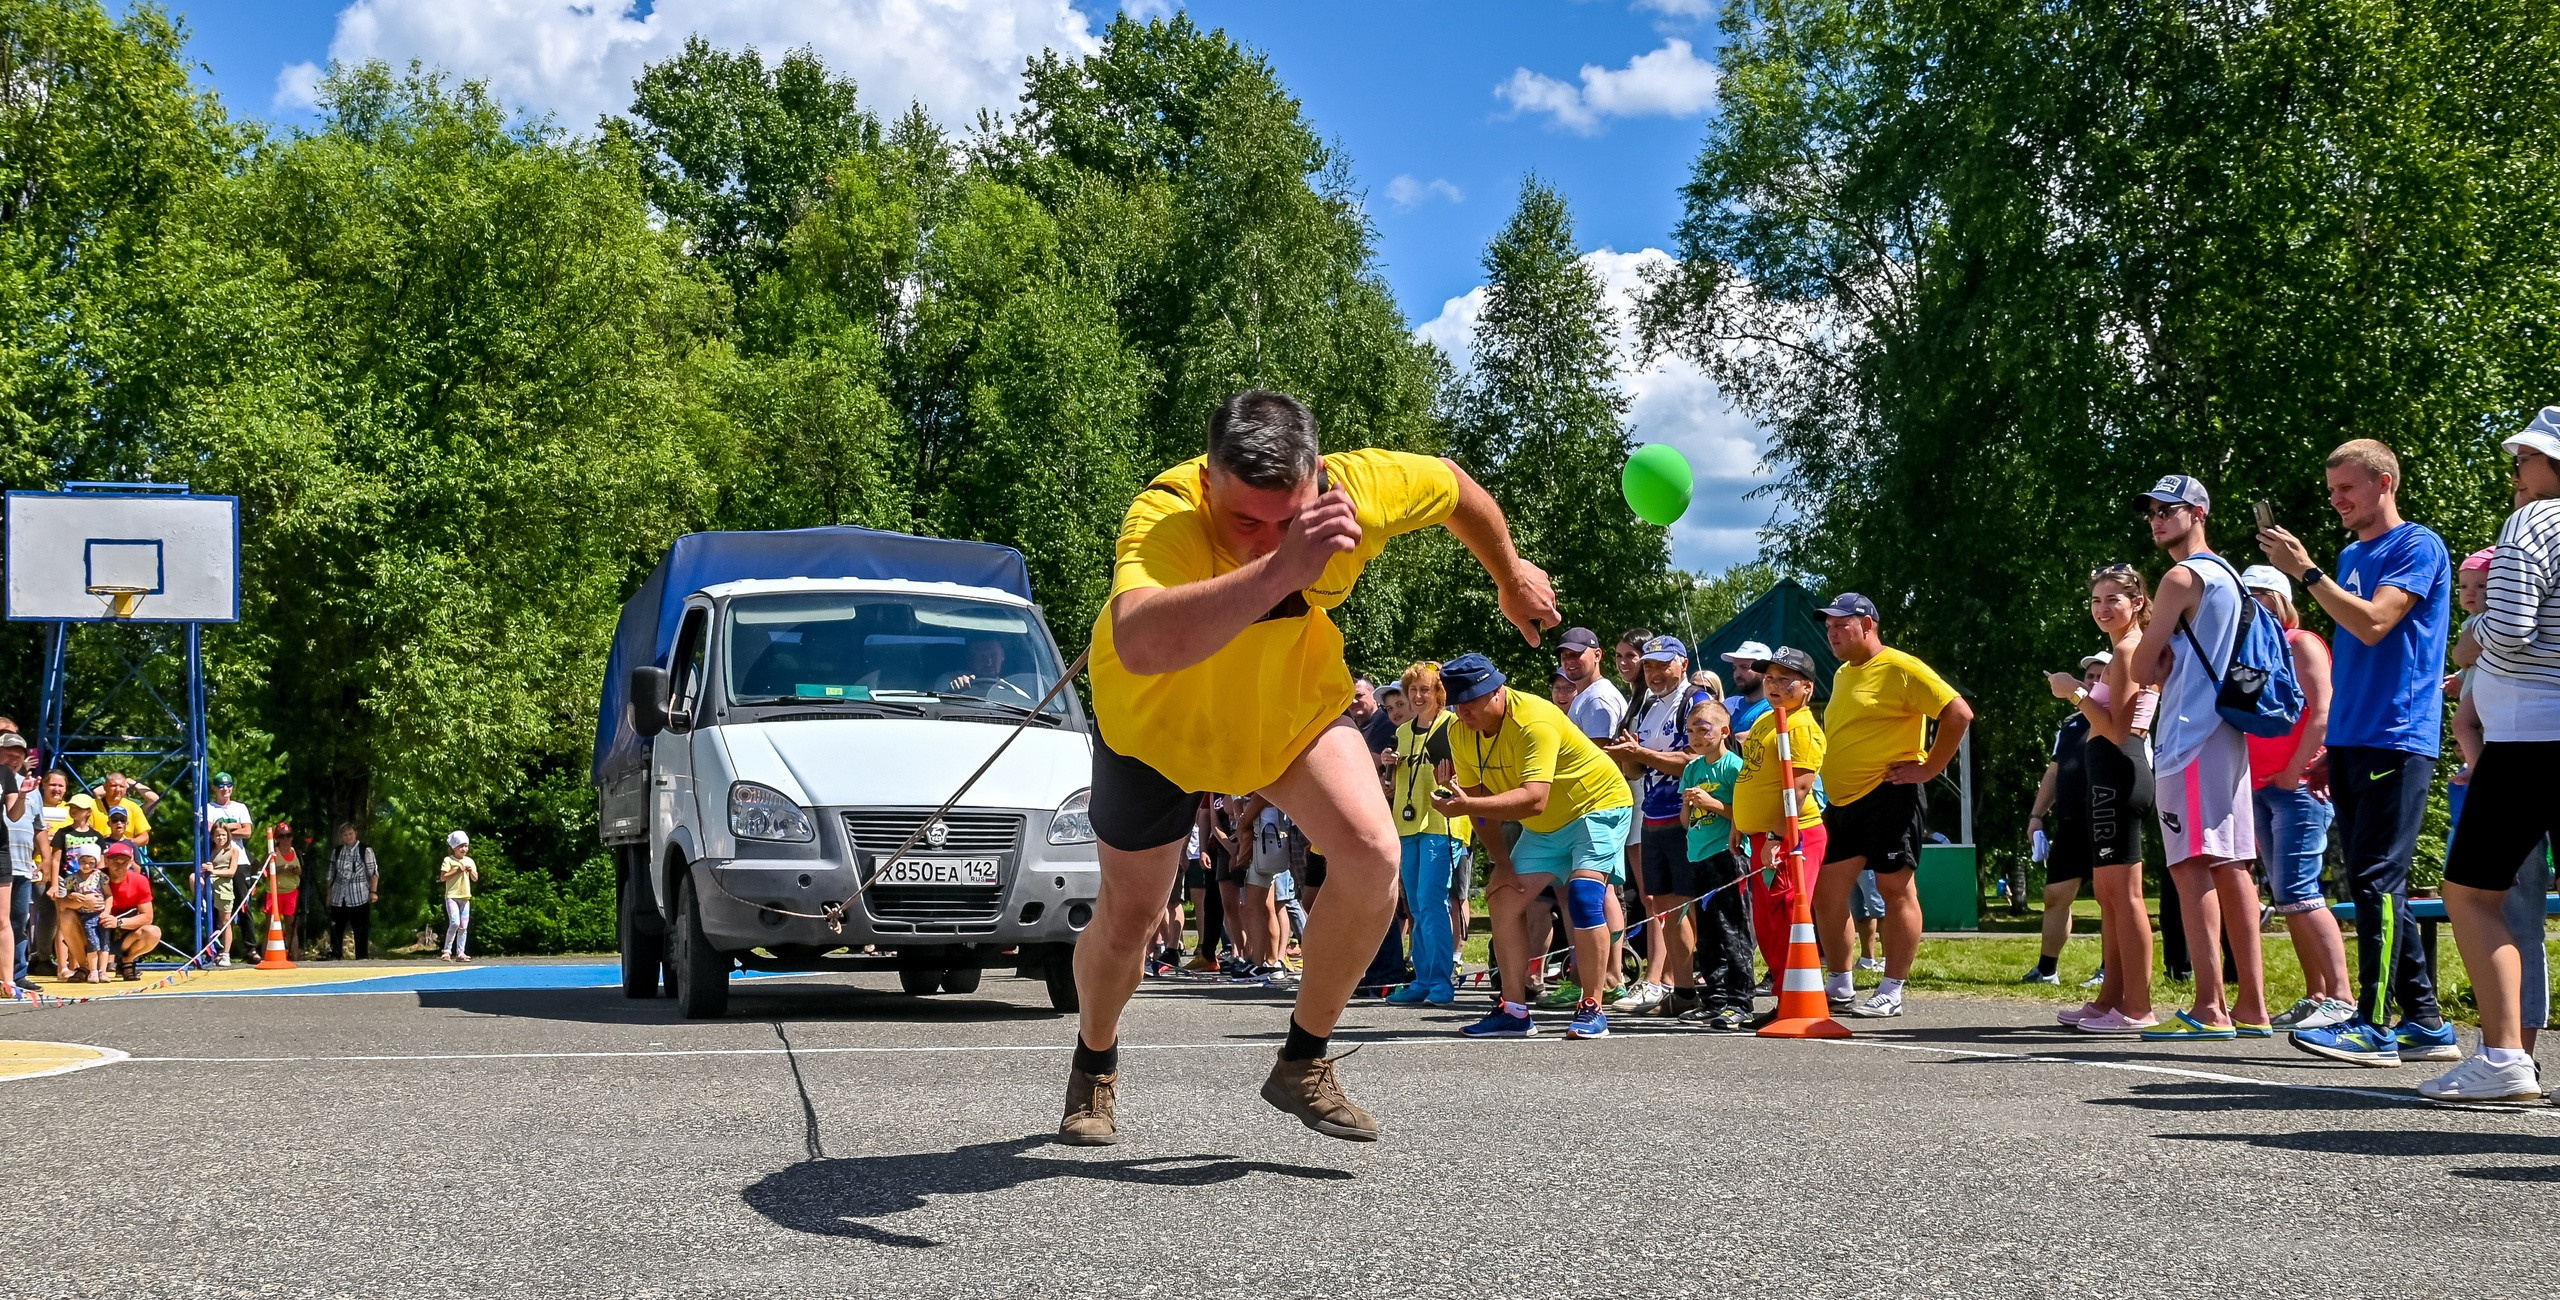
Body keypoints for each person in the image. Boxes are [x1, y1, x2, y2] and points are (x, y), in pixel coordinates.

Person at [1061, 389, 1558, 1145]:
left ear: (1319, 478)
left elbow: (1455, 486)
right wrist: (1285, 565)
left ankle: (1303, 1060)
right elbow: (1138, 642)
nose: (1266, 539)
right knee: (1128, 924)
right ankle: (1095, 1061)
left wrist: (1509, 571)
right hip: (1158, 733)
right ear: (1206, 487)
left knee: (1371, 854)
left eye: (1287, 520)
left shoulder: (1359, 490)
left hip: (1287, 713)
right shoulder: (1165, 512)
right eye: (1245, 523)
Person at [2257, 441, 2458, 1066]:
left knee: (2378, 881)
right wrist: (2331, 738)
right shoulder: (2352, 553)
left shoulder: (2416, 546)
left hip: (2395, 734)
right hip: (2353, 737)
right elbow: (2350, 648)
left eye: (2347, 488)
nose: (2337, 499)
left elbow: (2375, 622)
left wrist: (2307, 573)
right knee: (2371, 880)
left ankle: (2373, 1025)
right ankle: (2424, 1023)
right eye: (2332, 489)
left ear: (2384, 483)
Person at [2423, 409, 2560, 1104]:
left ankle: (2505, 1056)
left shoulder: (2535, 522)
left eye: (2524, 460)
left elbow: (2509, 629)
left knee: (2473, 892)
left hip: (2533, 738)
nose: (2515, 474)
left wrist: (2473, 633)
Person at [2127, 475, 2270, 1042]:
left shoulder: (2181, 576)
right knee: (2234, 865)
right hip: (2229, 732)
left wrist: (2154, 662)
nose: (2159, 519)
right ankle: (2253, 1004)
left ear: (2199, 512)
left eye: (2170, 509)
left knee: (2190, 867)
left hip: (2188, 734)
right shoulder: (2231, 576)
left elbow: (2141, 668)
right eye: (2152, 511)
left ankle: (2210, 1005)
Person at [1436, 653, 1633, 1040]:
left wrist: (1467, 804)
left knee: (1584, 895)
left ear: (1497, 691)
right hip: (1546, 826)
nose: (1464, 711)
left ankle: (1592, 1007)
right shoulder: (1460, 732)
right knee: (1502, 897)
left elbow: (1532, 798)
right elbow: (1479, 807)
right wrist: (1501, 862)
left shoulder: (1534, 720)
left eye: (1472, 700)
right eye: (1456, 703)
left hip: (1598, 805)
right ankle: (1514, 1010)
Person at [1813, 594, 1974, 1018]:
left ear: (1868, 624)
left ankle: (1891, 988)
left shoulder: (1902, 667)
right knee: (1827, 894)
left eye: (1840, 625)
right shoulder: (1846, 673)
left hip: (1891, 795)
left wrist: (1930, 767)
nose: (1832, 633)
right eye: (1828, 627)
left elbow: (1958, 713)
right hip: (1844, 801)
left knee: (1895, 889)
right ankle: (1840, 983)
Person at [2239, 565, 2354, 1031]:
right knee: (2287, 899)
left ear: (2281, 600)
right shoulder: (2248, 655)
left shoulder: (2300, 642)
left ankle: (2342, 997)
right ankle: (2317, 994)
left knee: (2300, 892)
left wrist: (2294, 770)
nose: (2253, 607)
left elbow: (2323, 713)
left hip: (2297, 785)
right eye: (2246, 599)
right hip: (2261, 788)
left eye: (2262, 597)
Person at [1602, 634, 1705, 1016]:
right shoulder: (1646, 706)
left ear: (1683, 664)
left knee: (1684, 904)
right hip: (1651, 815)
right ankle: (1679, 988)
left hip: (1688, 817)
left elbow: (1694, 760)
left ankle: (1696, 983)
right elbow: (1637, 768)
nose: (1656, 672)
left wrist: (1640, 753)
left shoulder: (1696, 701)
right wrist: (1623, 756)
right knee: (1660, 905)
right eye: (1649, 665)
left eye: (1663, 664)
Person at [1730, 648, 1827, 999]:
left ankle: (1798, 995)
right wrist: (1738, 822)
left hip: (1792, 835)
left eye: (1785, 679)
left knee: (1787, 913)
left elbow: (1798, 789)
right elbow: (1752, 775)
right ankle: (1783, 991)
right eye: (1770, 678)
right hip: (1759, 836)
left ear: (1807, 688)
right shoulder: (1766, 720)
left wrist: (1774, 834)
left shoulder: (1802, 727)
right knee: (1767, 920)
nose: (1774, 685)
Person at [1383, 661, 1467, 1005]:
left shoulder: (1454, 726)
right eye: (1413, 690)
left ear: (1439, 693)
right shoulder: (1402, 732)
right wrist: (1388, 770)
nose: (1418, 696)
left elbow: (1466, 773)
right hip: (1407, 824)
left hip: (1442, 822)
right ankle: (1422, 979)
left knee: (1433, 902)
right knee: (1415, 906)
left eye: (1425, 689)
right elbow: (1393, 788)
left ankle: (1440, 982)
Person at [2024, 652, 2109, 984]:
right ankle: (2047, 970)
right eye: (2089, 676)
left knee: (2111, 898)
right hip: (2071, 821)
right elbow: (2054, 772)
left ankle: (2110, 970)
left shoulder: (2121, 715)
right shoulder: (2070, 725)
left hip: (2106, 819)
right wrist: (2036, 816)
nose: (2093, 682)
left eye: (2102, 676)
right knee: (2055, 895)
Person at [1677, 696, 1749, 1030]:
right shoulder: (1692, 768)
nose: (1694, 736)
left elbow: (1744, 815)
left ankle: (1739, 1000)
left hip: (1726, 854)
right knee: (1705, 931)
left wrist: (1713, 802)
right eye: (1690, 730)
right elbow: (1684, 820)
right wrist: (1691, 806)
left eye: (1702, 729)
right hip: (1698, 854)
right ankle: (1715, 998)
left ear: (1723, 731)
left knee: (1730, 927)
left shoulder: (1734, 766)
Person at [98, 842, 160, 980]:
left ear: (131, 862)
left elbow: (147, 917)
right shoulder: (95, 877)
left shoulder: (140, 881)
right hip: (96, 930)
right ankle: (82, 966)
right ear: (106, 861)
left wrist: (118, 922)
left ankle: (127, 961)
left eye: (124, 861)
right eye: (115, 861)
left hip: (123, 931)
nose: (120, 865)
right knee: (68, 916)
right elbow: (66, 891)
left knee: (153, 932)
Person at [1557, 628, 1628, 742]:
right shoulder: (1588, 694)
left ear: (1597, 655)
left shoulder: (1598, 698)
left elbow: (1600, 755)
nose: (1569, 660)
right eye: (1564, 655)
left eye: (1576, 654)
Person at [1, 734, 32, 988]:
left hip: (2, 850)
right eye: (9, 754)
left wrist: (22, 796)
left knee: (5, 920)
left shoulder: (7, 777)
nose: (14, 760)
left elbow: (13, 815)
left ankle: (8, 981)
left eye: (18, 757)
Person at [54, 842, 109, 982]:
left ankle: (103, 971)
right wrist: (75, 897)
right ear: (78, 861)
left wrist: (107, 911)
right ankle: (92, 970)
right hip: (85, 915)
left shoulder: (101, 876)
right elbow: (67, 897)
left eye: (91, 863)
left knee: (104, 942)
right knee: (92, 941)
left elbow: (109, 895)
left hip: (100, 913)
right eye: (83, 862)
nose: (87, 866)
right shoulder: (72, 878)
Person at [196, 822, 248, 966]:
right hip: (210, 883)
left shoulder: (233, 850)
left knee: (225, 921)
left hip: (224, 885)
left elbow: (231, 872)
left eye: (223, 835)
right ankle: (202, 902)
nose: (220, 838)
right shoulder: (209, 850)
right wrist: (204, 869)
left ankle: (226, 953)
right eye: (218, 835)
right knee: (193, 877)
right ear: (212, 837)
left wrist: (214, 871)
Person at [326, 823, 380, 961]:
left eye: (350, 833)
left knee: (360, 931)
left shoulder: (365, 850)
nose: (348, 837)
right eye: (345, 834)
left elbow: (373, 872)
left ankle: (362, 959)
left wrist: (373, 892)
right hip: (339, 897)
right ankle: (335, 956)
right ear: (341, 837)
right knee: (336, 930)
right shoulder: (337, 851)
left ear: (355, 834)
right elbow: (331, 874)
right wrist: (329, 894)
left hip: (359, 896)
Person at [261, 823, 304, 961]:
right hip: (274, 893)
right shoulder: (273, 852)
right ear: (277, 838)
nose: (285, 839)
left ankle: (295, 957)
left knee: (292, 927)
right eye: (282, 836)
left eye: (288, 836)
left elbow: (301, 870)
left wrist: (296, 871)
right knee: (270, 927)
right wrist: (280, 869)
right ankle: (266, 957)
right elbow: (264, 871)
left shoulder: (296, 851)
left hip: (291, 893)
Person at [85, 771, 157, 847]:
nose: (118, 790)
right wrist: (106, 842)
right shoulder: (90, 806)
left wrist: (125, 843)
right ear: (104, 786)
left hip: (125, 853)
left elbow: (144, 838)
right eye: (113, 786)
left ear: (126, 788)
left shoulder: (133, 807)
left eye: (121, 786)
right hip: (100, 852)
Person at [439, 831, 478, 962]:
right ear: (454, 847)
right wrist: (457, 870)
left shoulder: (469, 861)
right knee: (455, 922)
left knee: (464, 926)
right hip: (452, 896)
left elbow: (475, 878)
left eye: (466, 846)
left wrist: (470, 870)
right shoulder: (448, 860)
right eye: (460, 846)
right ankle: (447, 951)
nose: (464, 849)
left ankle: (461, 952)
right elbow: (443, 877)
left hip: (465, 897)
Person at [1721, 642, 1775, 734]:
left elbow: (1744, 741)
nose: (1737, 674)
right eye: (1735, 668)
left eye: (1744, 667)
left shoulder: (1772, 708)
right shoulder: (1730, 703)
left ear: (1765, 671)